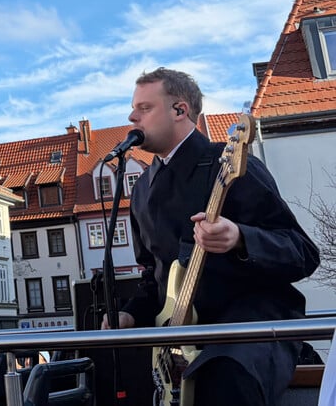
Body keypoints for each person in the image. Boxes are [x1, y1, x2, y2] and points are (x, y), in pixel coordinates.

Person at [103, 68, 319, 405]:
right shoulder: (142, 189)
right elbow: (154, 276)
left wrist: (240, 238)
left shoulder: (228, 161)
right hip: (182, 339)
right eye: (133, 108)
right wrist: (132, 313)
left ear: (180, 110)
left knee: (222, 378)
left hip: (252, 323)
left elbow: (302, 252)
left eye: (145, 108)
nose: (132, 116)